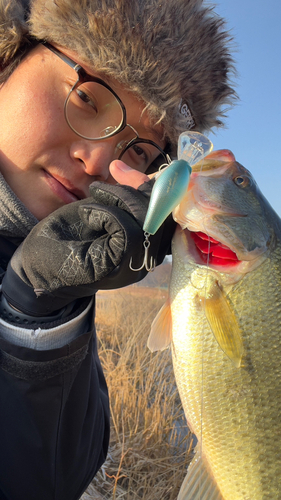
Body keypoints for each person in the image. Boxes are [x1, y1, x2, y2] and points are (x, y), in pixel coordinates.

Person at [0, 0, 236, 499]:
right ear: (10, 56)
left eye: (139, 150)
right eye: (87, 98)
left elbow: (52, 482)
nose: (97, 160)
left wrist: (37, 314)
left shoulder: (58, 281)